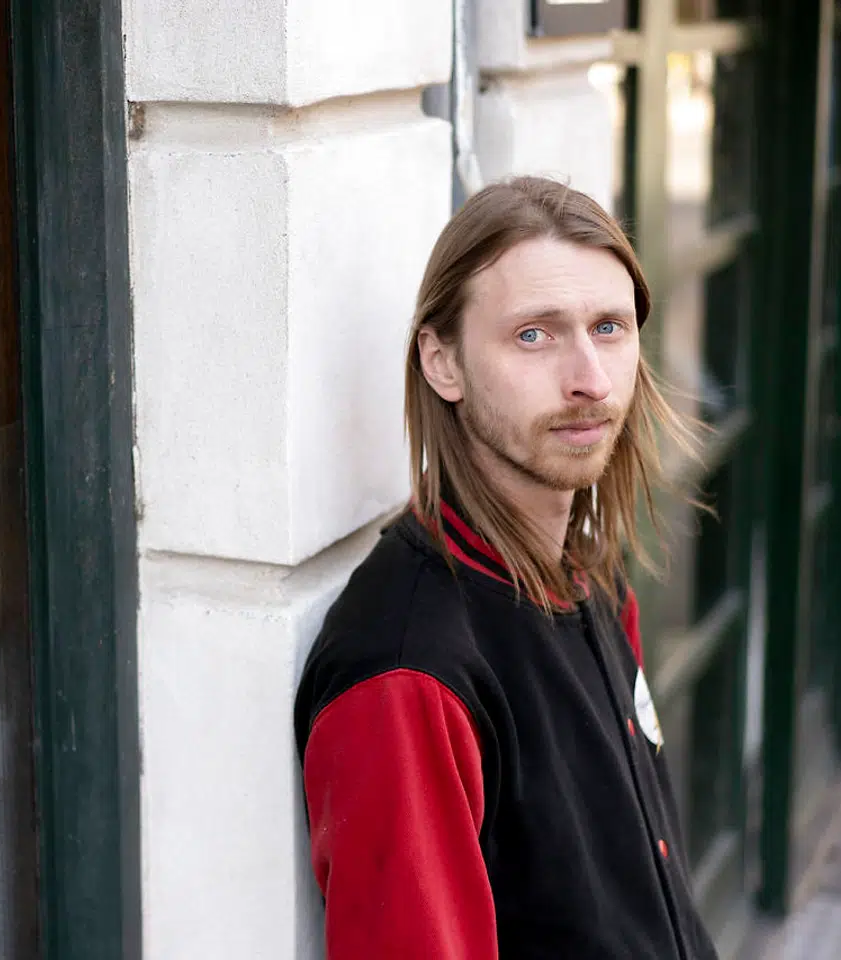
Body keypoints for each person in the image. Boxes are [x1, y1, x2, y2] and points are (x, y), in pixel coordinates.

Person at [293, 175, 720, 959]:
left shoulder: (588, 575)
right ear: (443, 362)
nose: (589, 378)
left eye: (609, 328)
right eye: (535, 335)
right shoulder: (409, 673)